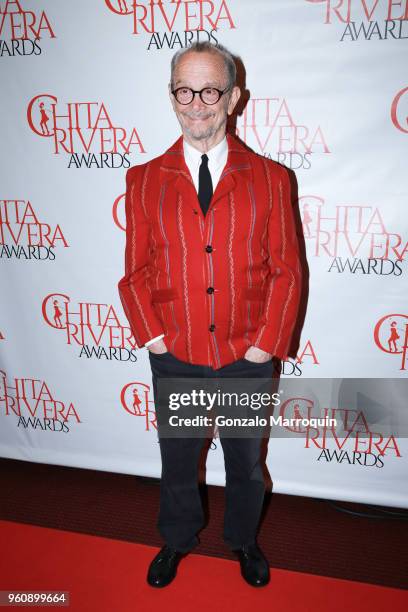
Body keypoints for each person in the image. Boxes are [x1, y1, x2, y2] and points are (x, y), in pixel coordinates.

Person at [118, 41, 302, 588]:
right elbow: (134, 273)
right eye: (184, 90)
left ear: (233, 97)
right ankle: (176, 540)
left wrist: (266, 343)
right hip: (176, 352)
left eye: (210, 90)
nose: (196, 103)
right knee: (178, 463)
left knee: (245, 466)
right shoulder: (144, 180)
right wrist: (153, 338)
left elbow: (288, 272)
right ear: (171, 97)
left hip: (248, 354)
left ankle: (244, 540)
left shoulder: (272, 178)